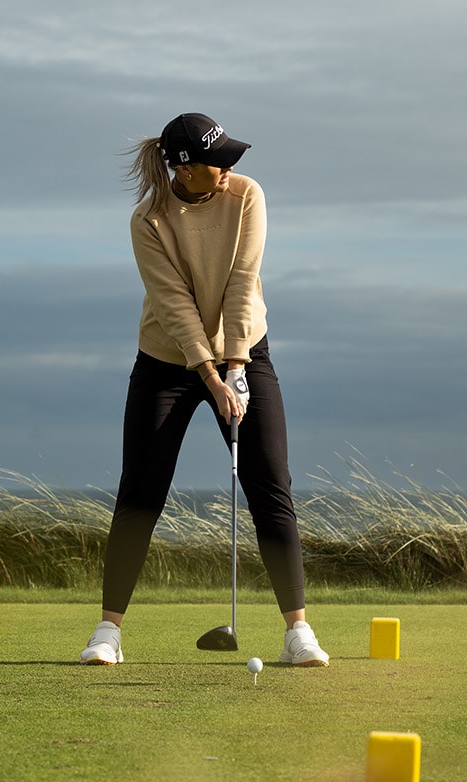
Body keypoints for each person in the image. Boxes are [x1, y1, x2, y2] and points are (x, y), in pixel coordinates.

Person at [80, 113, 330, 667]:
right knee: (141, 491)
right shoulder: (148, 220)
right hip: (168, 359)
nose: (231, 168)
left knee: (270, 483)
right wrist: (210, 378)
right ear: (185, 168)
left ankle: (299, 634)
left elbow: (243, 279)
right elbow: (174, 306)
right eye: (221, 159)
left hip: (245, 349)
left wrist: (236, 366)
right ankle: (108, 633)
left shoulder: (245, 195)